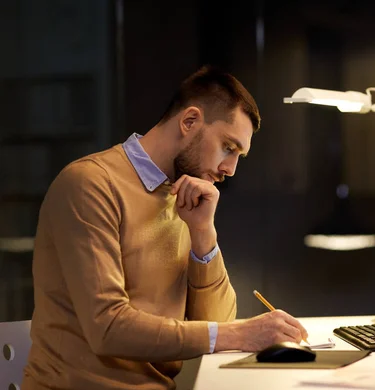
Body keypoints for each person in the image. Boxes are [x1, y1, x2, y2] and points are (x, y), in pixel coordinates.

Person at [23, 66, 308, 389]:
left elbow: (217, 322)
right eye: (228, 147)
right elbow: (107, 327)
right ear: (189, 121)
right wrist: (242, 333)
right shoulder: (90, 184)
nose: (230, 169)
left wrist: (203, 234)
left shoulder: (185, 197)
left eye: (239, 155)